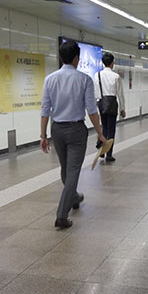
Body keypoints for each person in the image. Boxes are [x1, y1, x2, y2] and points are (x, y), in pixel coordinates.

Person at [40, 40, 106, 230]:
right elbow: (91, 110)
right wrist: (100, 133)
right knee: (73, 171)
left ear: (61, 58)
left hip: (57, 130)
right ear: (77, 58)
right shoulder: (84, 79)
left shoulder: (50, 79)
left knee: (66, 169)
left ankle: (74, 197)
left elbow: (45, 109)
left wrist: (43, 135)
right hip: (77, 130)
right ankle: (62, 215)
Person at [93, 52, 125, 162]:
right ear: (112, 63)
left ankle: (102, 152)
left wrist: (96, 106)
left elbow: (95, 93)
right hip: (112, 104)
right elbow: (120, 94)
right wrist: (122, 109)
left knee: (104, 128)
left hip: (101, 103)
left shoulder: (97, 75)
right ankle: (109, 154)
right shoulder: (116, 76)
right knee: (111, 130)